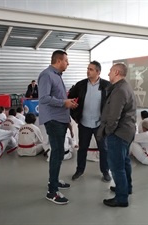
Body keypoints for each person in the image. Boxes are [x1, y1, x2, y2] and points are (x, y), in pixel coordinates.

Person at [38, 50, 78, 205]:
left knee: (59, 153)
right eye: (66, 60)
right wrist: (64, 103)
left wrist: (67, 103)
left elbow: (59, 99)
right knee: (56, 154)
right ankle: (52, 191)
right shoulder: (47, 75)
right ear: (59, 60)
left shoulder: (57, 76)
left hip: (60, 119)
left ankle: (53, 181)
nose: (68, 63)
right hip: (53, 120)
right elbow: (44, 98)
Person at [97, 63, 136, 207]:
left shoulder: (119, 90)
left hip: (119, 133)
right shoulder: (125, 86)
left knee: (116, 166)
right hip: (127, 131)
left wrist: (107, 132)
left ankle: (121, 198)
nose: (108, 74)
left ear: (117, 72)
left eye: (110, 72)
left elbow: (114, 117)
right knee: (125, 162)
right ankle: (126, 188)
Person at [68, 60, 111, 182]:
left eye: (91, 69)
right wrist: (75, 115)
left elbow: (112, 104)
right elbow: (69, 99)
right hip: (84, 123)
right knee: (82, 148)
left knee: (104, 149)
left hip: (100, 125)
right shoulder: (80, 85)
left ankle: (105, 172)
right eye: (87, 69)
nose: (88, 71)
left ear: (98, 72)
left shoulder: (106, 86)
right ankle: (79, 170)